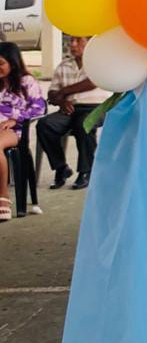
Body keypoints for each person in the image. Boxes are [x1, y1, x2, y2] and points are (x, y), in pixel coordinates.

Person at [37, 36, 109, 191]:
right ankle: (61, 168)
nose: (73, 44)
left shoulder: (100, 62)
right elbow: (52, 93)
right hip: (69, 108)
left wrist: (63, 92)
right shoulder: (64, 66)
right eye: (71, 41)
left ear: (90, 42)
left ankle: (86, 171)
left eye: (78, 40)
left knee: (84, 124)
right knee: (45, 124)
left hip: (95, 107)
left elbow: (92, 82)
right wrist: (62, 101)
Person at [0, 42, 47, 221]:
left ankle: (3, 198)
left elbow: (39, 108)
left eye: (1, 63)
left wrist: (16, 119)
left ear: (12, 63)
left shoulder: (26, 82)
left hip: (13, 130)